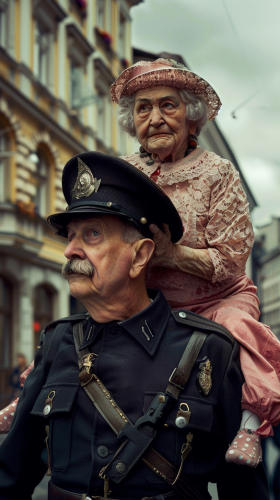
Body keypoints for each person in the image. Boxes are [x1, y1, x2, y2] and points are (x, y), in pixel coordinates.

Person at [0, 152, 270, 500]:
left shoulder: (209, 349)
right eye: (70, 236)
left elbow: (245, 491)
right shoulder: (57, 341)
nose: (70, 251)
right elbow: (11, 478)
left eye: (92, 234)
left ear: (140, 256)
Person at [110, 57, 280, 465]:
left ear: (191, 116)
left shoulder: (217, 172)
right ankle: (31, 396)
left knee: (240, 330)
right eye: (143, 108)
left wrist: (171, 254)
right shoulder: (123, 172)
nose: (155, 117)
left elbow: (231, 260)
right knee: (80, 328)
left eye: (168, 105)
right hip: (148, 303)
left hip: (217, 301)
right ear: (133, 121)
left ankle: (249, 426)